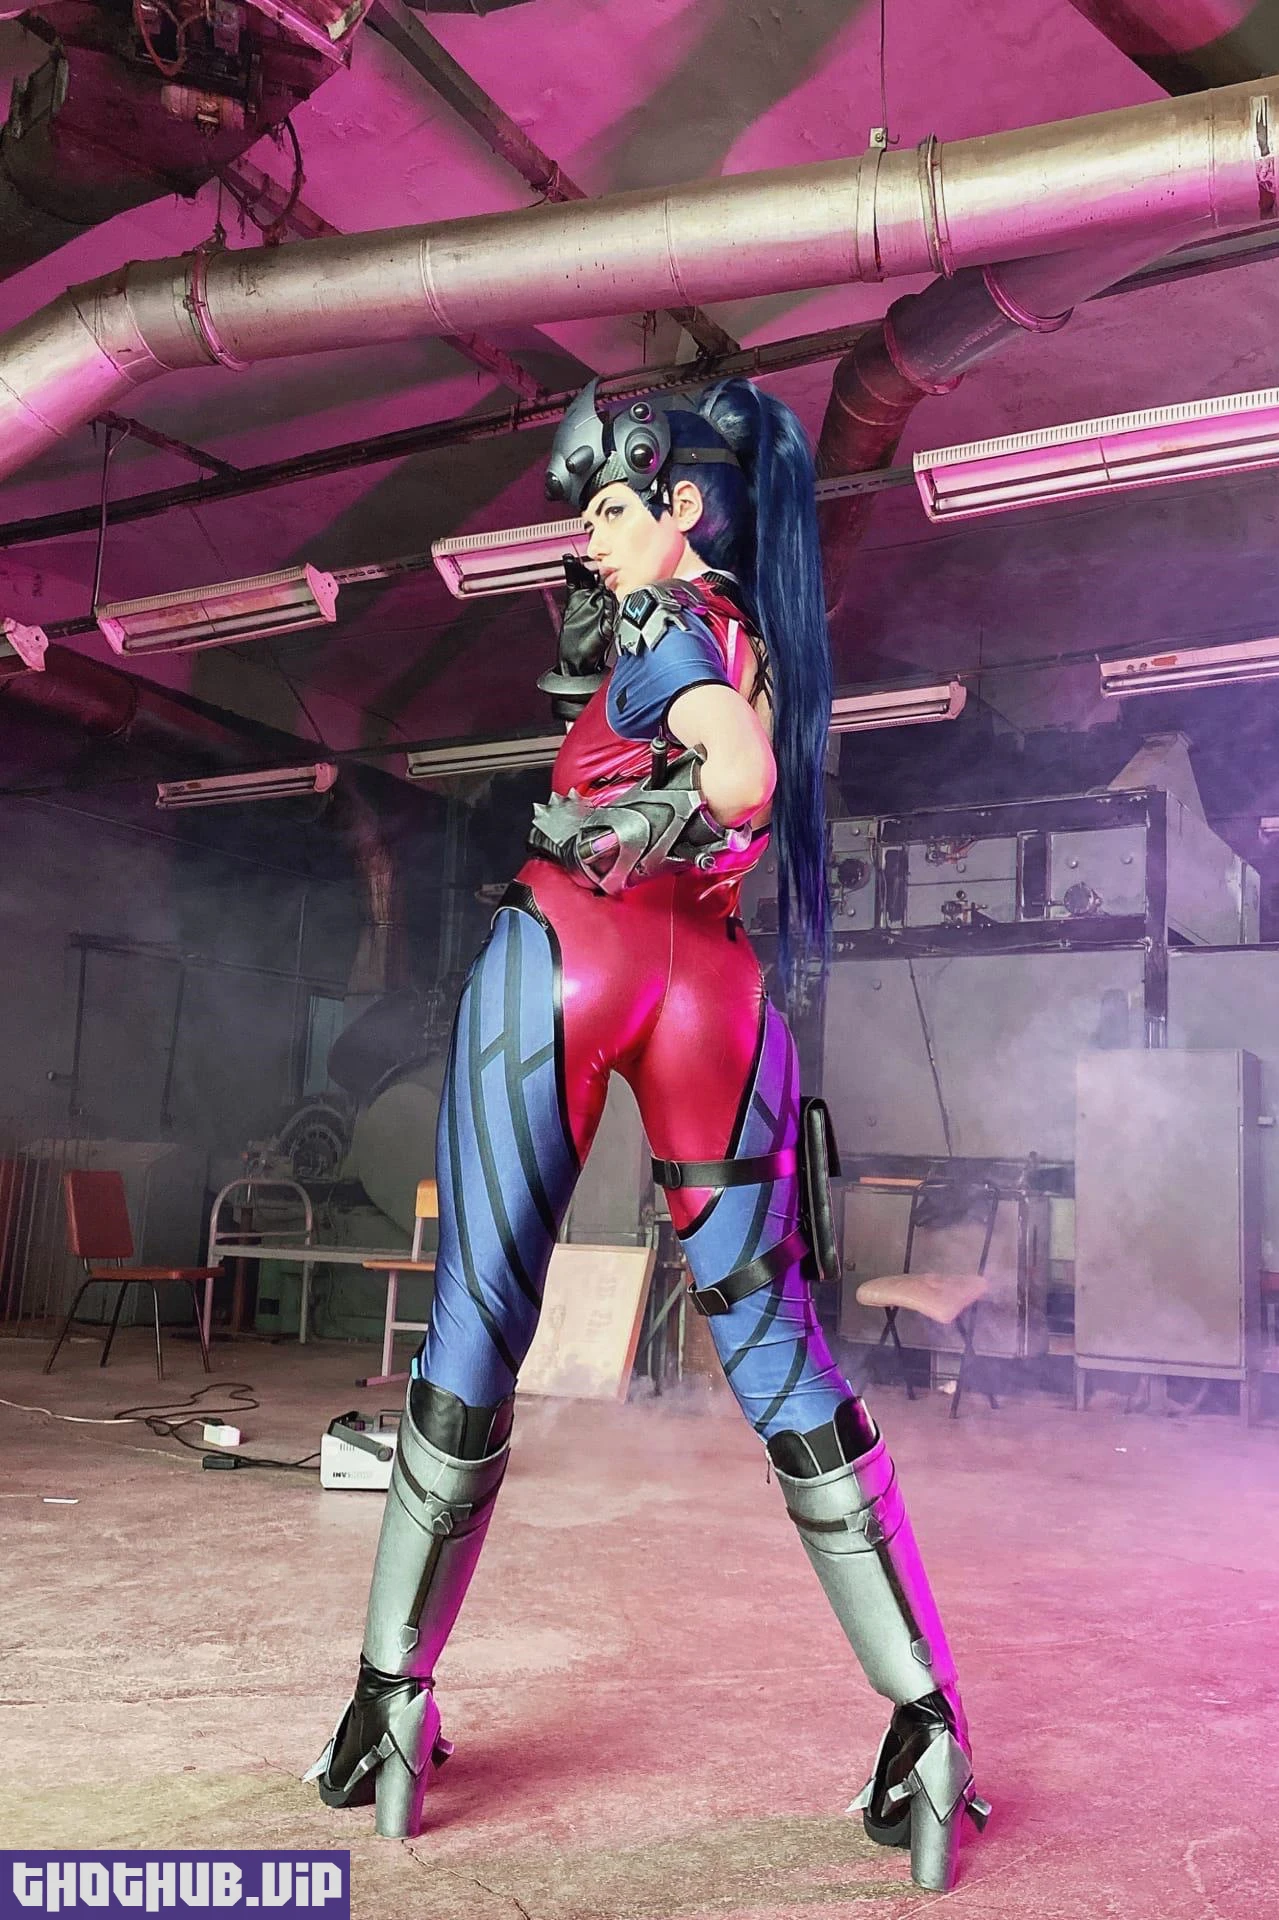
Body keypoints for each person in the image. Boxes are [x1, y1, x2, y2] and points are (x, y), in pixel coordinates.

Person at [307, 377, 988, 1892]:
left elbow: (734, 772)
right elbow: (749, 779)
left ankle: (390, 1697)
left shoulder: (669, 629)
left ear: (684, 509)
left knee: (479, 1314)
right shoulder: (760, 636)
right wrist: (693, 801)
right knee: (776, 1346)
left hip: (573, 954)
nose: (590, 534)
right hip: (715, 991)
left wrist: (639, 818)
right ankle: (927, 1721)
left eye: (614, 506)